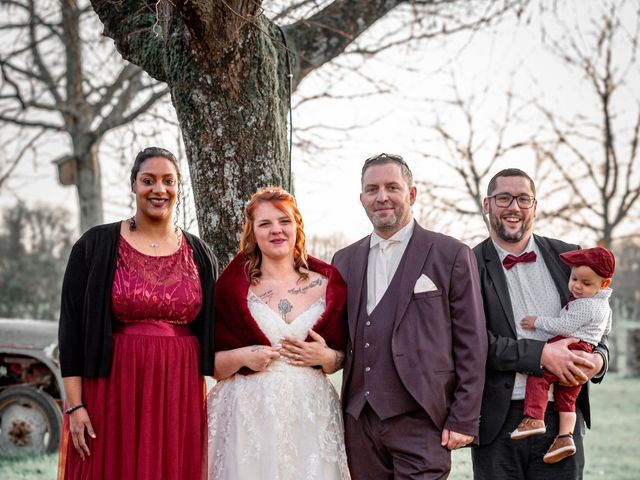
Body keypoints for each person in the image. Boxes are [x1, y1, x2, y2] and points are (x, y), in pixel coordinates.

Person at [57, 147, 217, 480]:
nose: (159, 190)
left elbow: (217, 328)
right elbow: (70, 332)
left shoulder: (200, 253)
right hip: (112, 389)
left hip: (178, 390)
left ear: (178, 187)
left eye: (168, 181)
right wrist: (75, 406)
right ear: (134, 185)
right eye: (148, 180)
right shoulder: (95, 245)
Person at [332, 153, 487, 479]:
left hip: (423, 419)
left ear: (411, 194)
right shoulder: (344, 260)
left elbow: (472, 342)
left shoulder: (451, 254)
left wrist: (463, 417)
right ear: (362, 199)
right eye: (372, 189)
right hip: (360, 421)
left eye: (392, 187)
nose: (382, 197)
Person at [471, 168, 610, 479]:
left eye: (523, 198)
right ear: (487, 205)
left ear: (535, 205)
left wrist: (598, 358)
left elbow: (599, 321)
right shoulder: (468, 264)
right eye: (503, 198)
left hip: (562, 421)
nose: (514, 207)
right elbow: (472, 342)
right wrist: (540, 355)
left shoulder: (569, 257)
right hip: (499, 421)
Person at [206, 187, 349, 480]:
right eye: (265, 224)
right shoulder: (232, 290)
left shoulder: (328, 284)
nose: (276, 230)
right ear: (252, 232)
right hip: (248, 417)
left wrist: (327, 357)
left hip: (311, 415)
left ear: (297, 225)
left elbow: (345, 356)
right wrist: (243, 356)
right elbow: (212, 366)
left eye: (284, 221)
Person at [513, 247, 614, 464]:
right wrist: (593, 343)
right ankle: (565, 437)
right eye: (574, 278)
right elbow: (606, 331)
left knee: (539, 376)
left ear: (603, 284)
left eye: (585, 284)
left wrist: (536, 321)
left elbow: (564, 326)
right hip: (584, 351)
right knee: (567, 399)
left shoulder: (585, 305)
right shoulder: (604, 305)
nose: (577, 286)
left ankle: (534, 419)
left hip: (569, 348)